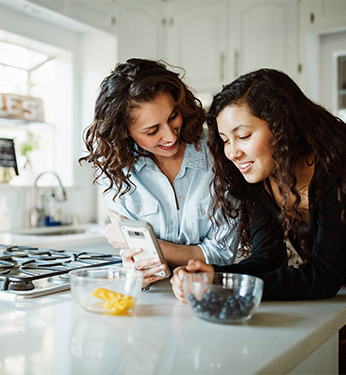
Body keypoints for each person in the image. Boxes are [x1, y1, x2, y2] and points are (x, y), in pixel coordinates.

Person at [169, 68, 346, 373]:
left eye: (243, 136)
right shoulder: (258, 178)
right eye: (224, 140)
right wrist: (211, 275)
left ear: (284, 127)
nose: (232, 152)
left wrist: (222, 285)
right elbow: (267, 258)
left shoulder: (341, 165)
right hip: (345, 298)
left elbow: (323, 276)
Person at [79, 58, 240, 288]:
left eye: (173, 116)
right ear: (125, 131)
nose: (171, 136)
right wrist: (135, 266)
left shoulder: (219, 151)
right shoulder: (117, 169)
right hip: (151, 296)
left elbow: (223, 253)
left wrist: (155, 247)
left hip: (209, 293)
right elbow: (136, 254)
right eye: (153, 130)